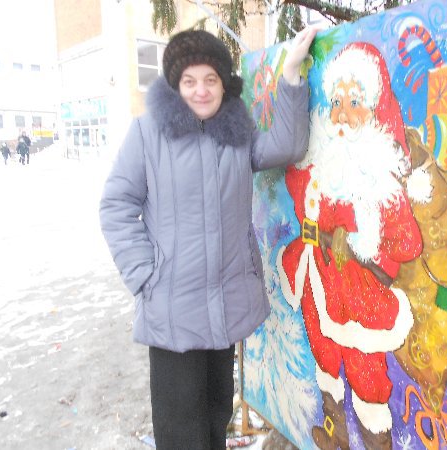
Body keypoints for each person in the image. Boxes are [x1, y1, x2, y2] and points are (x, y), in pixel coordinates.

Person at [99, 27, 317, 450]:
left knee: (217, 414)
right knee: (181, 429)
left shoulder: (235, 134)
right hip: (173, 308)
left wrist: (291, 75)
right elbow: (116, 205)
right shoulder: (148, 133)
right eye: (190, 81)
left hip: (225, 303)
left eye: (210, 79)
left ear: (223, 83)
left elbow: (287, 145)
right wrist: (145, 274)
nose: (201, 91)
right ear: (175, 85)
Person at [276, 42, 424, 450]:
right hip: (315, 278)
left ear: (374, 109)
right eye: (337, 101)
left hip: (358, 293)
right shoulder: (321, 163)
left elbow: (407, 243)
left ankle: (376, 441)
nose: (342, 114)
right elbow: (297, 184)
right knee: (323, 353)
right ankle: (335, 431)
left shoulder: (379, 179)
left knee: (364, 369)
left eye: (354, 102)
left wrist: (360, 238)